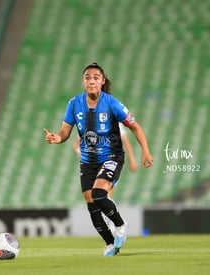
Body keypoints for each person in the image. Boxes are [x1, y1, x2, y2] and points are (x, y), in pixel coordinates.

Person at [43, 63, 153, 256]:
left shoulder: (112, 103)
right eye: (87, 77)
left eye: (95, 77)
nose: (91, 80)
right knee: (90, 202)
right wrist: (57, 138)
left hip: (112, 156)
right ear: (83, 81)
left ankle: (120, 224)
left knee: (99, 194)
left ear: (102, 81)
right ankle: (112, 244)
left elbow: (135, 126)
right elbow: (65, 132)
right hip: (87, 161)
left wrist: (145, 151)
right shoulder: (74, 103)